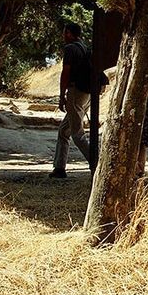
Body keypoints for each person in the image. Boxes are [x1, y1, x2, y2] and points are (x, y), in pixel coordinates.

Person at [50, 22, 91, 178]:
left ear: (68, 33)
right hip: (87, 93)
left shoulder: (70, 49)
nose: (63, 36)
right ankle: (59, 168)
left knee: (77, 133)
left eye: (64, 32)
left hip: (76, 92)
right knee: (64, 131)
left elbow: (65, 73)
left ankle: (97, 163)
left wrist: (62, 95)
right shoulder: (85, 48)